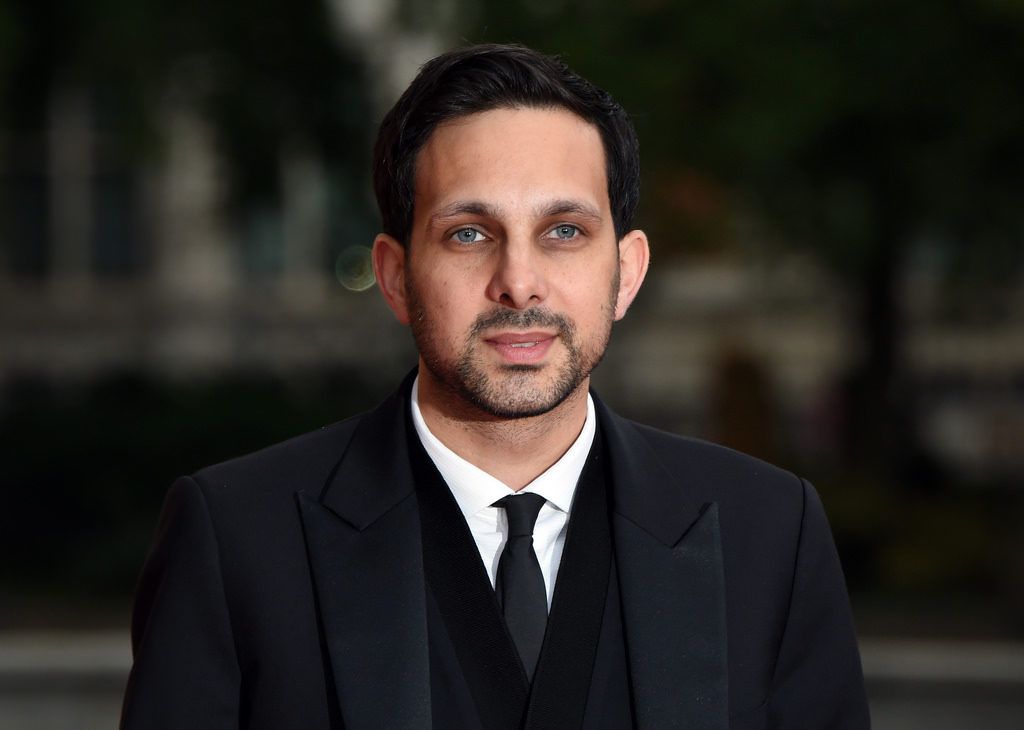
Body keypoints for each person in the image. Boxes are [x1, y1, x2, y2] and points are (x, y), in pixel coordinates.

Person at [120, 44, 869, 729]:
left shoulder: (771, 534)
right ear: (395, 276)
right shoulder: (237, 541)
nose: (519, 283)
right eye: (469, 234)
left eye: (565, 231)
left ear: (627, 272)